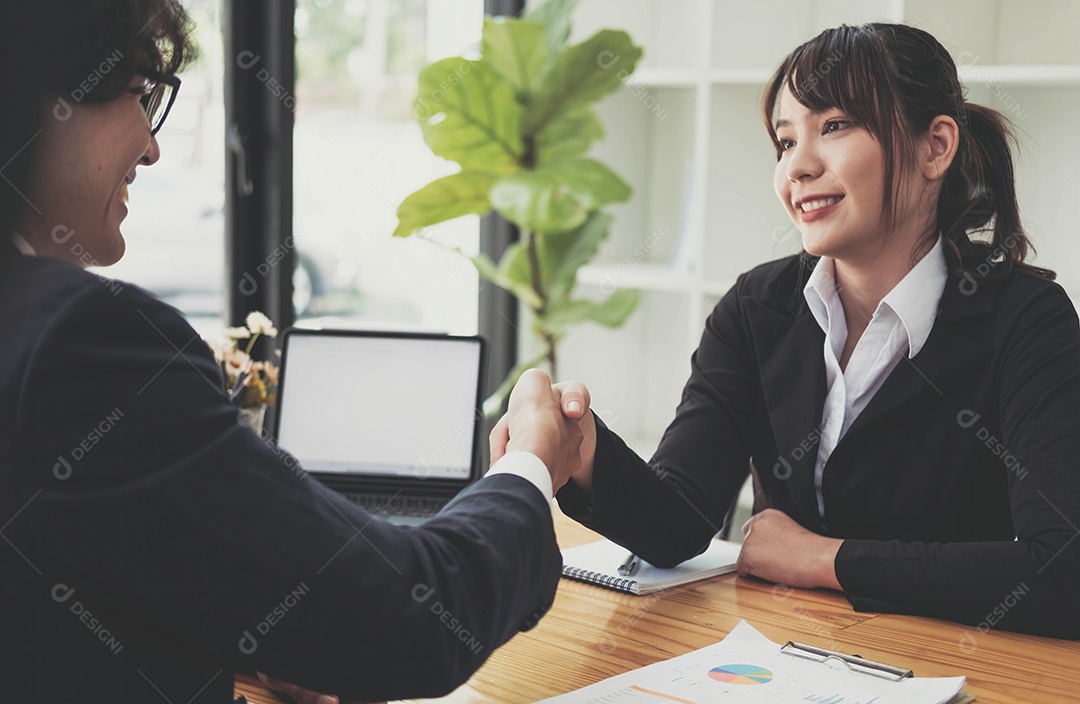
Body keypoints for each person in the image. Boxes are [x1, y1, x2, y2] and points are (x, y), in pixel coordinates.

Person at [0, 2, 584, 702]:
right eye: (141, 93)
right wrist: (529, 463)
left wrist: (257, 631)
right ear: (39, 96)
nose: (152, 147)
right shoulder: (77, 343)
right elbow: (415, 614)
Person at [496, 23, 1080, 640]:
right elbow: (680, 522)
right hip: (786, 655)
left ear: (935, 147)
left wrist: (823, 558)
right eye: (784, 140)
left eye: (834, 127)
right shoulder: (757, 306)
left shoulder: (1026, 318)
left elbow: (1062, 570)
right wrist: (583, 449)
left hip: (965, 666)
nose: (796, 167)